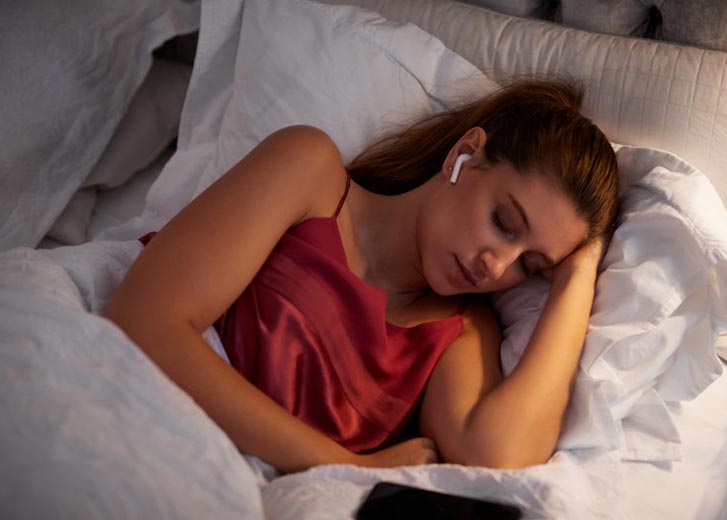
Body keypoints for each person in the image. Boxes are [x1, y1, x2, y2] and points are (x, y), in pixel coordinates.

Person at [105, 80, 619, 474]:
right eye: (504, 223)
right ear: (464, 155)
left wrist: (576, 276)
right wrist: (344, 464)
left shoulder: (458, 332)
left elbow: (498, 458)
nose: (497, 267)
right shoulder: (310, 172)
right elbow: (144, 319)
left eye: (530, 267)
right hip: (127, 423)